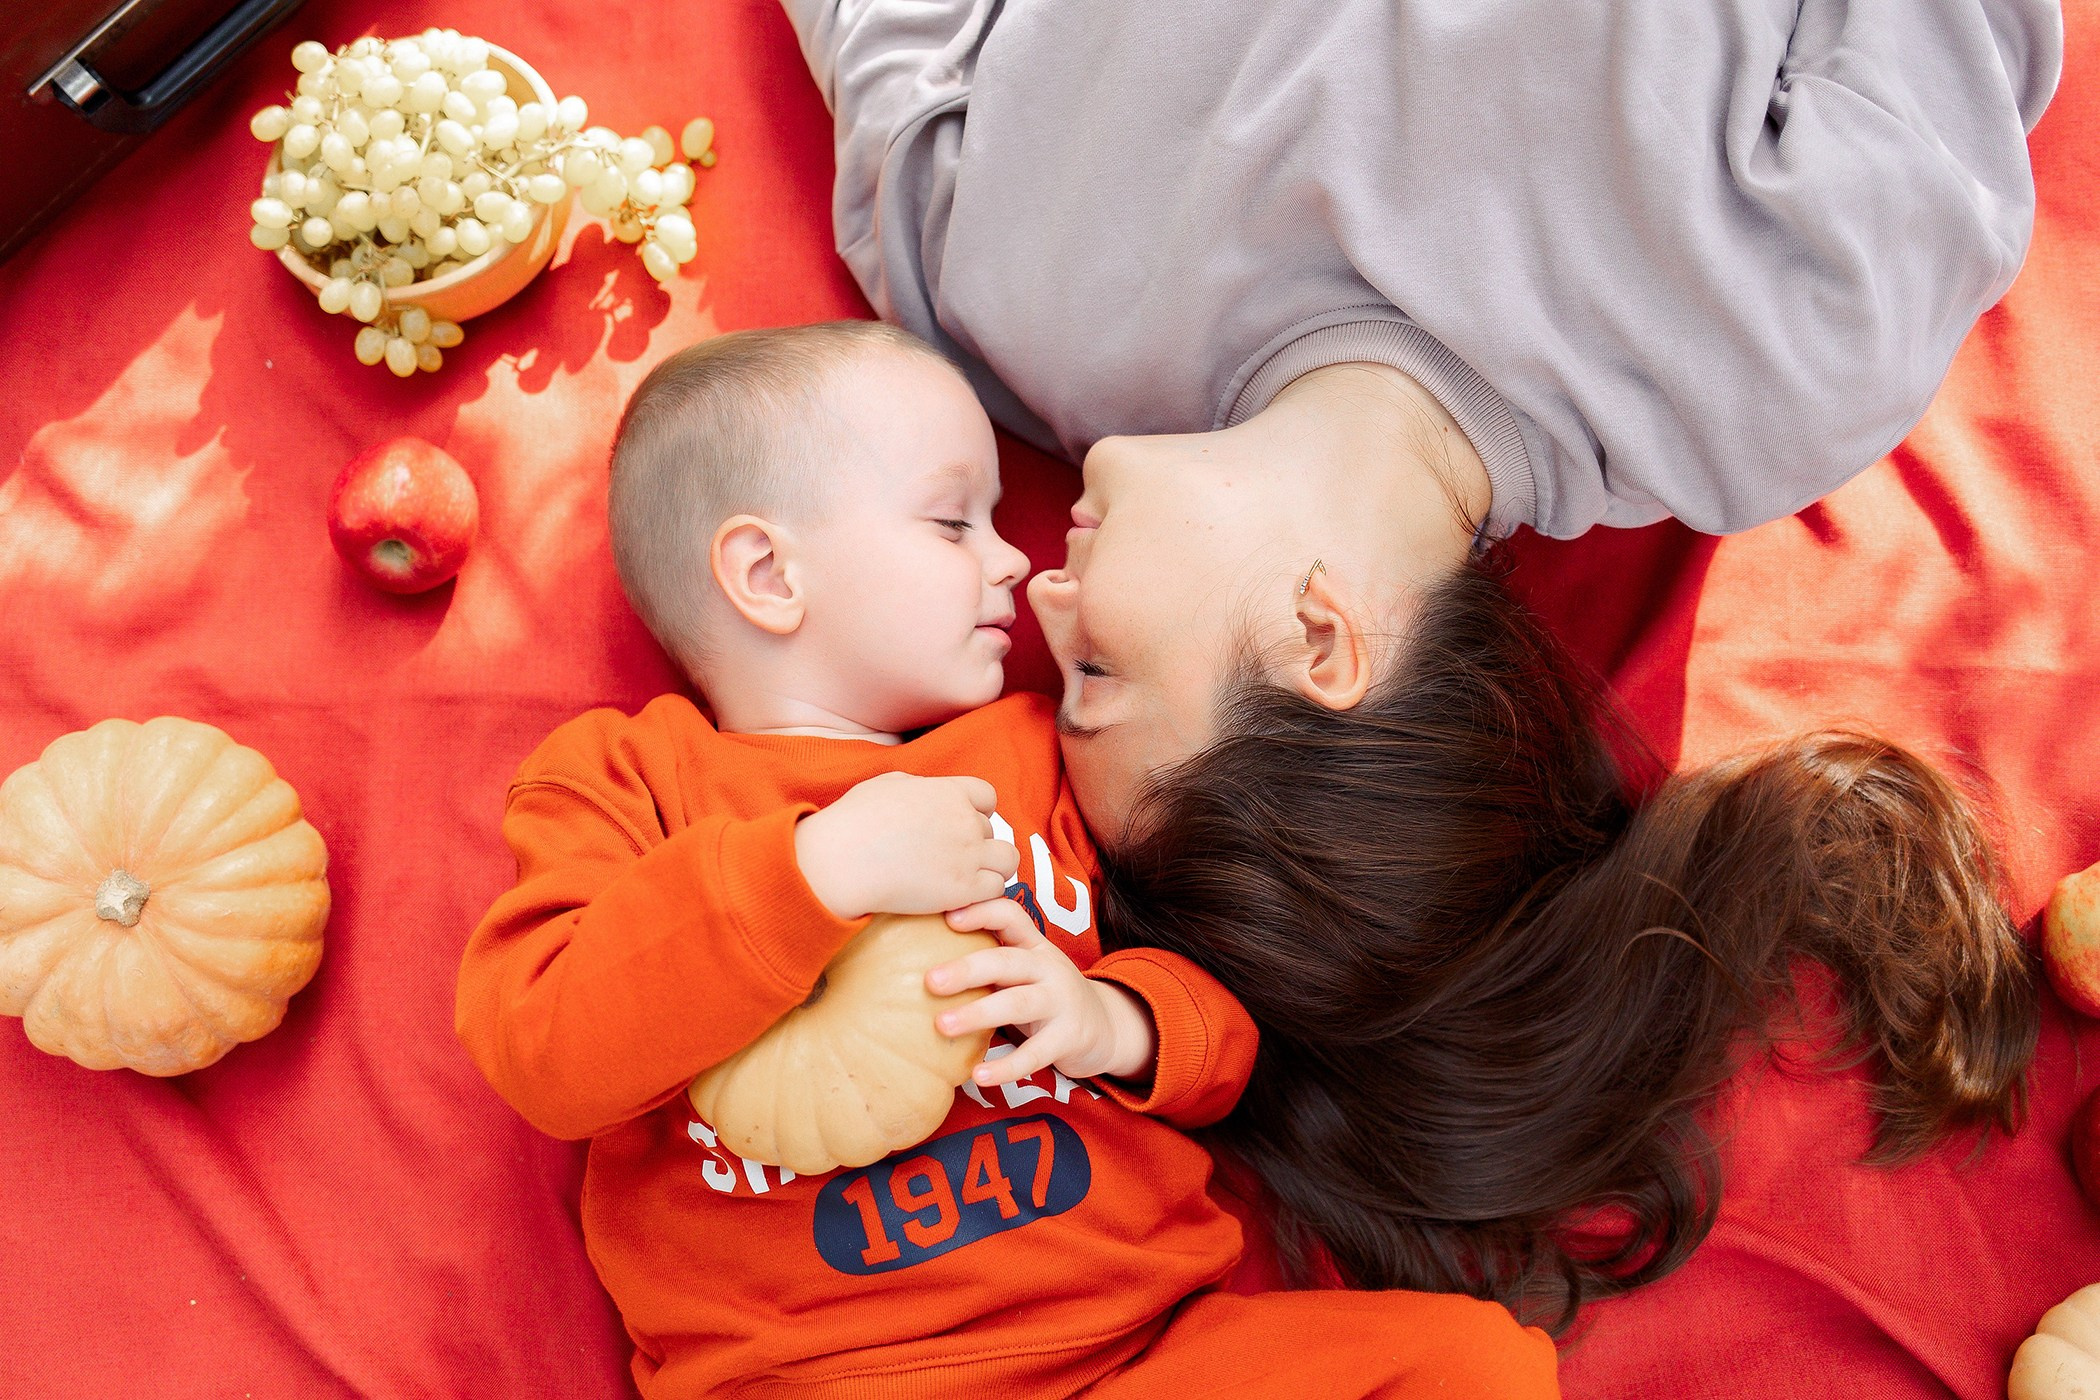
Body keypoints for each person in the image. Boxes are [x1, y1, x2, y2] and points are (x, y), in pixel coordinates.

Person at [782, 0, 2060, 1328]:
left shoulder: (983, 292)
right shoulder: (1777, 359)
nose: (1042, 597)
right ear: (1323, 643)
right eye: (1097, 673)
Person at [454, 320, 1559, 1398]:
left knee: (1476, 1366)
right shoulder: (627, 782)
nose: (1012, 559)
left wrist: (1107, 1021)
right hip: (816, 1371)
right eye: (952, 523)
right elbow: (544, 1047)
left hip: (1133, 1349)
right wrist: (813, 873)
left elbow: (1219, 1030)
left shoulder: (1040, 752)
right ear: (767, 573)